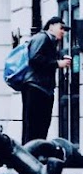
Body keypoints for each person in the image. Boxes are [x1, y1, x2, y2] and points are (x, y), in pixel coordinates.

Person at [21, 16, 71, 145]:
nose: (63, 32)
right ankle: (30, 155)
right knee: (34, 125)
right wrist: (57, 63)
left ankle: (36, 154)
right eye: (61, 28)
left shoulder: (50, 41)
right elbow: (34, 58)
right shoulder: (42, 37)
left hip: (43, 88)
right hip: (36, 87)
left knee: (41, 124)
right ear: (51, 26)